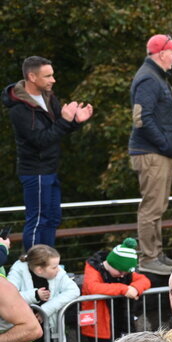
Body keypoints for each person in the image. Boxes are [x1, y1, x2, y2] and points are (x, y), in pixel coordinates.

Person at [3, 55, 92, 250]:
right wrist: (65, 120)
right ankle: (34, 267)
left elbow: (59, 129)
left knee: (52, 218)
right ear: (32, 77)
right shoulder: (19, 110)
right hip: (35, 171)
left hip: (50, 169)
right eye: (48, 76)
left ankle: (48, 264)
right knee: (38, 221)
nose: (53, 80)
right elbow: (40, 140)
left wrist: (75, 121)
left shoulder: (49, 97)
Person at [129, 34, 172, 275]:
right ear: (160, 54)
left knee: (157, 206)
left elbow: (155, 115)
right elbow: (142, 118)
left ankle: (156, 254)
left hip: (156, 152)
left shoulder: (155, 77)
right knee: (152, 207)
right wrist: (164, 144)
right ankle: (149, 258)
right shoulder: (149, 78)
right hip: (152, 153)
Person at [80, 238, 153, 342]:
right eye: (120, 272)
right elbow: (93, 288)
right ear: (111, 263)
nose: (122, 275)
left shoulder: (124, 270)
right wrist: (124, 289)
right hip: (100, 328)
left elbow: (144, 280)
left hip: (120, 324)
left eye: (125, 273)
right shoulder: (94, 268)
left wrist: (135, 287)